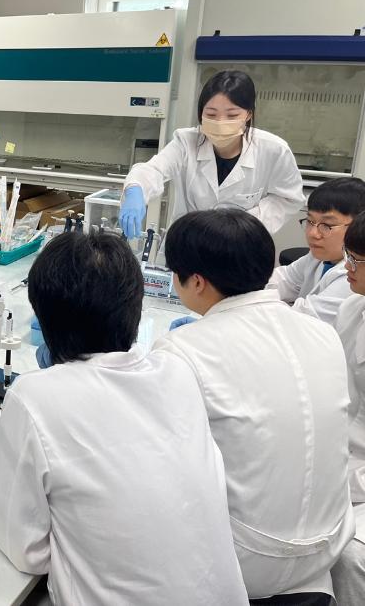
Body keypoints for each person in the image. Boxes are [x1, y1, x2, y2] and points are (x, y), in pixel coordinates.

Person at [0, 232, 247, 605]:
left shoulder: (34, 398)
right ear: (136, 306)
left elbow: (27, 551)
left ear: (44, 316)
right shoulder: (177, 372)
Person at [155, 209, 353, 603]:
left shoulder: (183, 349)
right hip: (328, 546)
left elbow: (163, 466)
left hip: (245, 561)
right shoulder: (322, 333)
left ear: (196, 281)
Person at [120, 70, 304, 238]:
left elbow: (288, 198)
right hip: (189, 243)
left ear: (248, 114)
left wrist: (245, 224)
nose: (220, 122)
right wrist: (136, 190)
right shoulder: (186, 141)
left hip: (240, 245)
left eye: (232, 115)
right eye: (211, 114)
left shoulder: (273, 150)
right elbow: (154, 170)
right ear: (201, 113)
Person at [268, 177, 365, 324]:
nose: (313, 233)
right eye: (310, 221)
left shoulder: (355, 276)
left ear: (356, 226)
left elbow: (305, 319)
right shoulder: (319, 257)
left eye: (327, 225)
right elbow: (282, 279)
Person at [330, 212, 365, 604]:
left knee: (351, 555)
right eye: (348, 255)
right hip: (344, 458)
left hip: (358, 477)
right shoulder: (352, 308)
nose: (346, 268)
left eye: (356, 260)